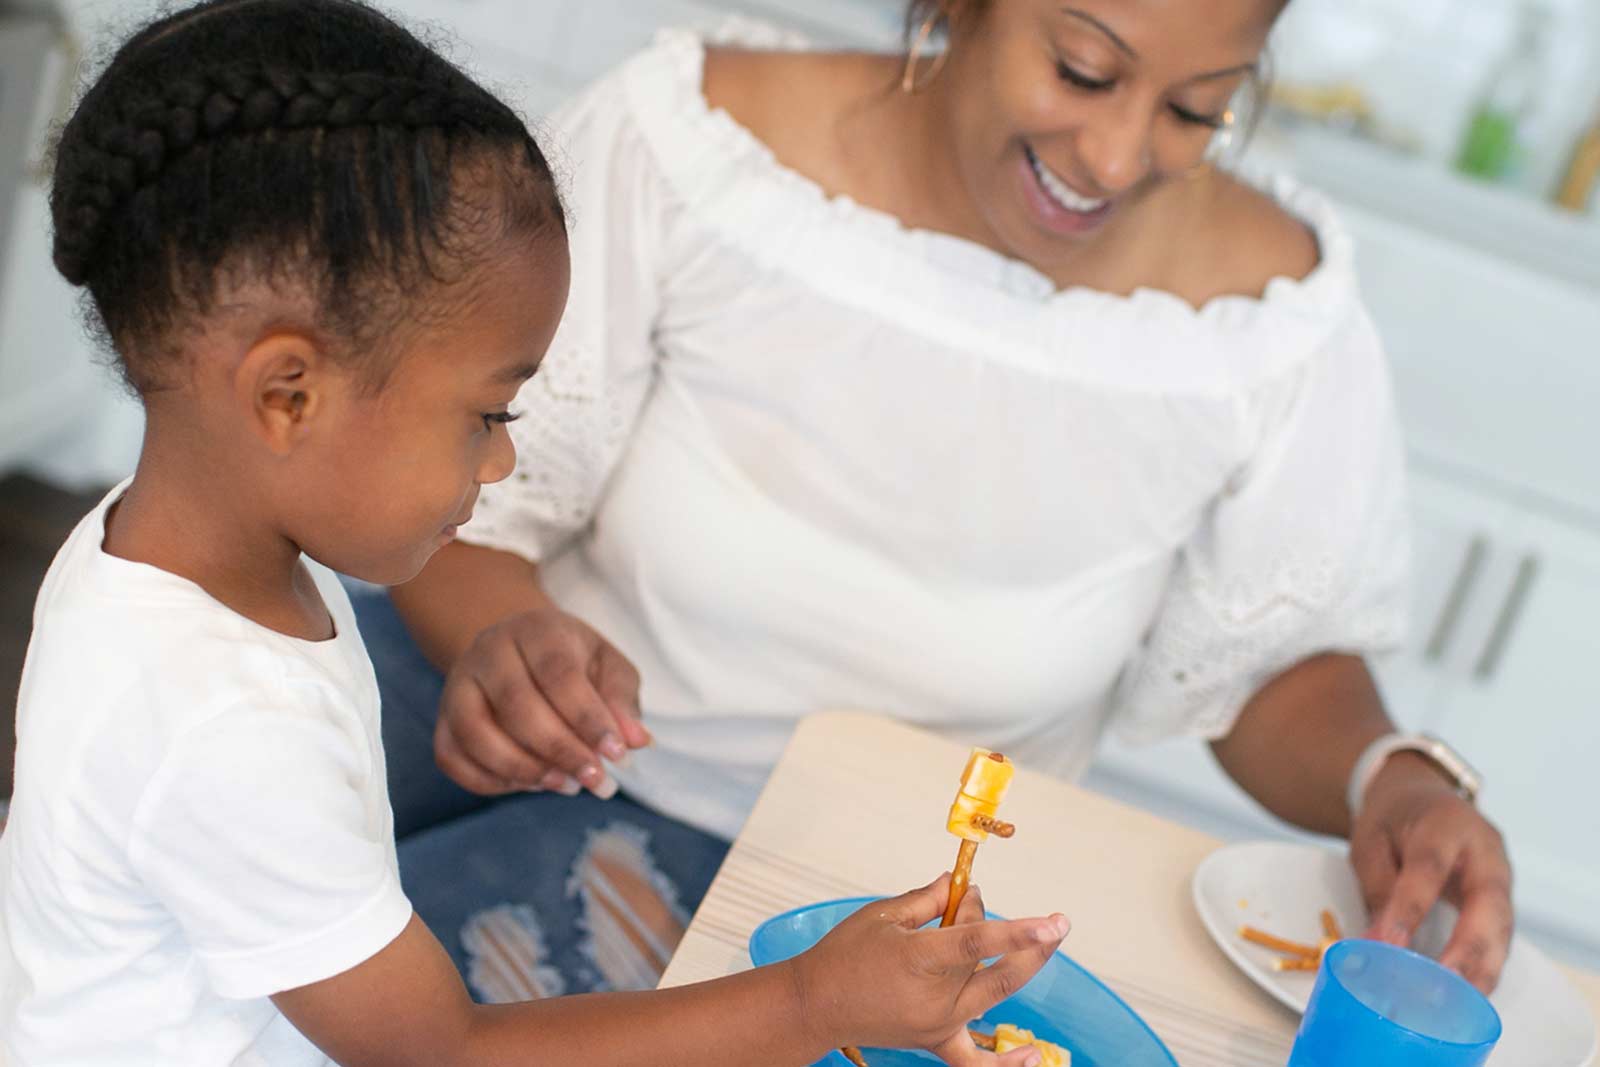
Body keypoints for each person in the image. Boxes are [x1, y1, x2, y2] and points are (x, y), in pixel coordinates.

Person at [364, 0, 1517, 999]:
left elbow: (1274, 666)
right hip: (471, 704)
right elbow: (459, 481)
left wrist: (1391, 778)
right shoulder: (686, 146)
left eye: (1194, 109)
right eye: (1082, 69)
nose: (1117, 158)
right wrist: (499, 628)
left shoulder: (1271, 320)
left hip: (835, 885)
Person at [0, 3, 1070, 1064]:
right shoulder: (214, 722)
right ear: (288, 393)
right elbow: (443, 1050)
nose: (501, 459)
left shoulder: (165, 549)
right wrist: (810, 1002)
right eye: (488, 414)